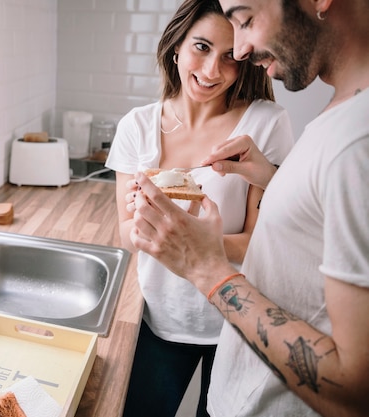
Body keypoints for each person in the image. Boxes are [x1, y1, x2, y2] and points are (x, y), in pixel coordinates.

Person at [128, 0, 369, 416]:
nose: (240, 52)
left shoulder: (356, 141)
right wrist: (273, 181)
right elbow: (312, 235)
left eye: (246, 19)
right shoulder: (338, 117)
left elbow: (354, 389)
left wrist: (205, 266)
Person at [104, 0, 294, 415]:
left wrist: (194, 245)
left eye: (229, 57)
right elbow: (125, 234)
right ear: (176, 45)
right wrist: (142, 227)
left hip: (235, 323)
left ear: (245, 61)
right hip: (159, 319)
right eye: (202, 47)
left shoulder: (266, 124)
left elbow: (260, 242)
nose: (211, 72)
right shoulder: (136, 126)